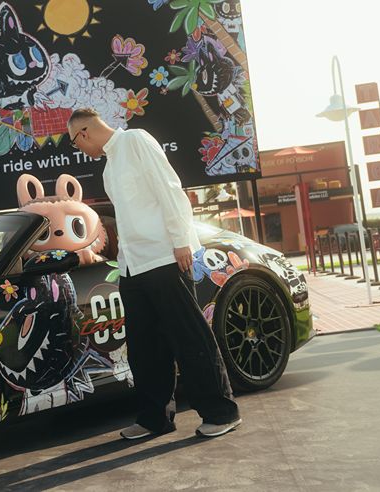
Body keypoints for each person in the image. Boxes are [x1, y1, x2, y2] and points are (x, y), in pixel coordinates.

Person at [66, 108, 241, 439]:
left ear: (84, 133)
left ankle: (222, 412)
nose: (80, 150)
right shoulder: (109, 167)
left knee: (190, 338)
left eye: (76, 143)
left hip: (165, 256)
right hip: (133, 266)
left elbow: (169, 188)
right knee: (145, 347)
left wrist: (180, 241)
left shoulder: (135, 141)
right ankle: (154, 419)